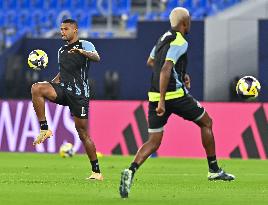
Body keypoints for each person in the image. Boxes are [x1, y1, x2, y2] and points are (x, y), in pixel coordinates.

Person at [119, 7, 235, 198]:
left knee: (153, 142)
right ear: (183, 23)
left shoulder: (162, 38)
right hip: (173, 96)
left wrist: (180, 75)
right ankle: (214, 170)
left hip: (154, 95)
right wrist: (164, 100)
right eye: (188, 21)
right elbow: (165, 69)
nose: (190, 24)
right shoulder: (180, 41)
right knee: (207, 122)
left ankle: (131, 170)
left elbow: (151, 62)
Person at [31, 19, 103, 181]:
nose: (62, 32)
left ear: (75, 30)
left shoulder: (85, 45)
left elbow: (97, 57)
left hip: (79, 95)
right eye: (61, 29)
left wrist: (81, 52)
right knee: (37, 88)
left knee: (83, 133)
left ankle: (96, 172)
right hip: (64, 90)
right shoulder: (62, 50)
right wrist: (50, 84)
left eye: (66, 29)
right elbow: (62, 72)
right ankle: (44, 129)